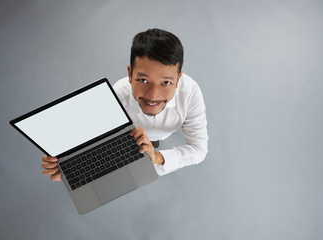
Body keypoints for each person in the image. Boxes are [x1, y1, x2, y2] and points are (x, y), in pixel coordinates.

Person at [41, 28, 208, 180]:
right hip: (134, 143)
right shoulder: (117, 97)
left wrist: (157, 157)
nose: (153, 96)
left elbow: (199, 149)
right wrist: (69, 169)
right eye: (143, 80)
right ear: (130, 74)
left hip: (159, 141)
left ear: (178, 80)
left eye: (165, 83)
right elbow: (102, 145)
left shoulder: (190, 93)